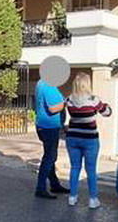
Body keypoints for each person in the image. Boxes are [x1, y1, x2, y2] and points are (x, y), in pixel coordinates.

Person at [63, 72, 112, 208]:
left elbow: (64, 111)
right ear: (87, 84)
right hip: (90, 139)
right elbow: (107, 112)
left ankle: (72, 197)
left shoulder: (69, 99)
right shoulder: (93, 99)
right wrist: (106, 106)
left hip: (72, 137)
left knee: (74, 168)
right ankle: (92, 199)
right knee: (91, 169)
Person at [34, 70, 68, 199]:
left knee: (50, 156)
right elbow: (53, 108)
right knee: (50, 157)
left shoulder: (41, 83)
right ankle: (40, 188)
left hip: (43, 126)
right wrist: (65, 102)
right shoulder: (49, 85)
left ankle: (54, 184)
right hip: (49, 127)